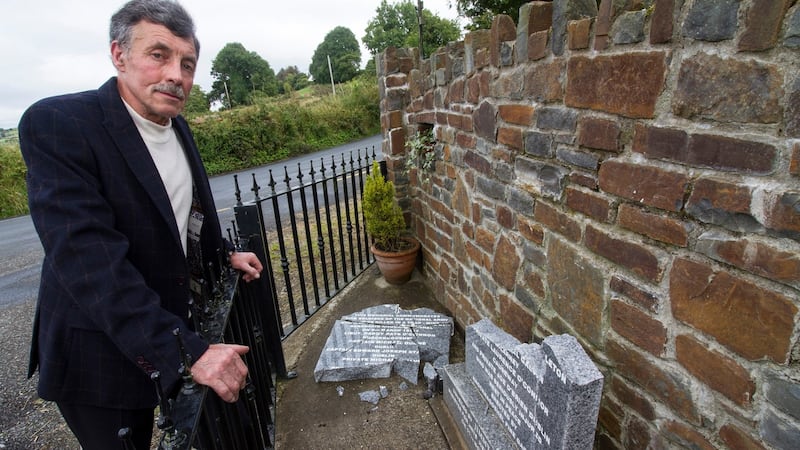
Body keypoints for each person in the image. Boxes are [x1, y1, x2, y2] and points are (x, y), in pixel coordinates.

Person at [18, 1, 264, 448]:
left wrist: (223, 251)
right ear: (119, 54)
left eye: (187, 63)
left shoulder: (175, 125)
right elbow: (88, 259)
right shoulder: (59, 124)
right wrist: (186, 351)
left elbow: (186, 213)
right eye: (159, 55)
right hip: (97, 351)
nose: (176, 74)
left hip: (159, 322)